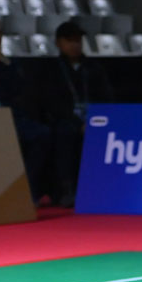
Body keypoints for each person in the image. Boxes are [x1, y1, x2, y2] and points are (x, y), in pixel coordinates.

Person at [0, 15, 52, 204]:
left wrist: (5, 64)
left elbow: (19, 90)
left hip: (10, 118)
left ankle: (27, 190)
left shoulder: (9, 64)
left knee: (41, 134)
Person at [34, 21, 114, 207]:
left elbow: (107, 98)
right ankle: (66, 189)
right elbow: (52, 104)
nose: (75, 45)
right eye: (69, 40)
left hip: (95, 119)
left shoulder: (93, 68)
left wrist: (93, 121)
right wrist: (78, 124)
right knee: (65, 133)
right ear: (58, 43)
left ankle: (105, 188)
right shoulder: (51, 70)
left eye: (78, 40)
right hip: (65, 121)